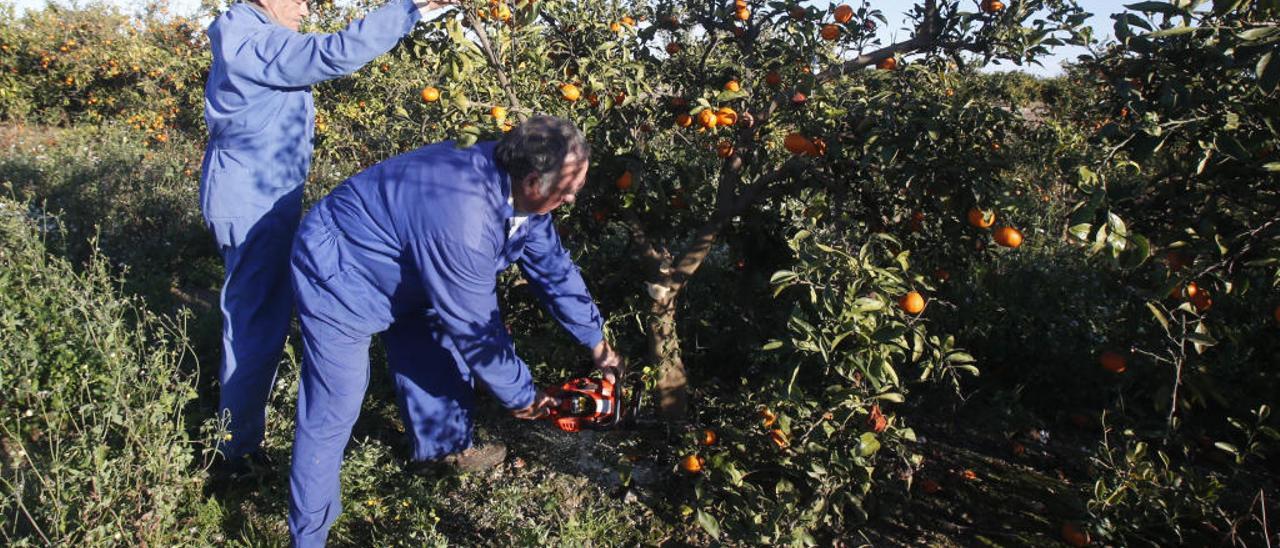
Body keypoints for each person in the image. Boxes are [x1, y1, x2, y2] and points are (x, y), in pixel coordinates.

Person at [286, 116, 621, 545]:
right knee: (335, 404)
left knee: (435, 356)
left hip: (411, 267)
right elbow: (476, 325)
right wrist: (523, 398)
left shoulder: (522, 193)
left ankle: (444, 449)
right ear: (533, 180)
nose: (574, 198)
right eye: (569, 189)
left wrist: (597, 342)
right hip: (341, 269)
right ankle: (309, 534)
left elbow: (553, 269)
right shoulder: (464, 216)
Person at [200, 0, 446, 471]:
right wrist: (409, 7)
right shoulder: (253, 38)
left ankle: (236, 439)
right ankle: (234, 453)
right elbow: (330, 54)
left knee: (256, 314)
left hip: (257, 192)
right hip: (252, 200)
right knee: (255, 323)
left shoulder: (249, 32)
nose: (303, 6)